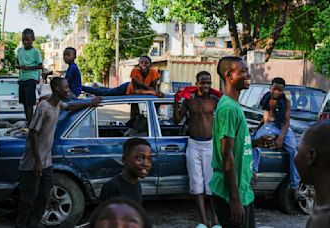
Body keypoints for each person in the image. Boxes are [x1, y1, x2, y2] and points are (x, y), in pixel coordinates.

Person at [16, 77, 101, 228]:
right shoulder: (44, 107)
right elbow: (33, 133)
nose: (68, 90)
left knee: (43, 198)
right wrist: (37, 162)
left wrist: (90, 102)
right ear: (57, 89)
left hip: (46, 162)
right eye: (66, 88)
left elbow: (70, 106)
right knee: (28, 201)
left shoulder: (57, 104)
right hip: (32, 164)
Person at [210, 56, 273, 228]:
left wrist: (255, 143)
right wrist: (235, 199)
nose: (248, 74)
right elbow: (226, 154)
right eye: (243, 71)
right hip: (232, 194)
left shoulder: (234, 105)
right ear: (229, 75)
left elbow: (235, 146)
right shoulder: (229, 108)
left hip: (243, 189)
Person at [173, 71, 220, 228]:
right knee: (196, 184)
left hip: (210, 145)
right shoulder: (189, 100)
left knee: (211, 185)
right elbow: (177, 120)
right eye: (202, 82)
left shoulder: (215, 100)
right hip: (193, 145)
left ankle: (215, 220)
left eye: (208, 83)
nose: (205, 85)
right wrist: (176, 102)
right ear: (197, 83)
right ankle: (203, 221)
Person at [252, 77, 301, 199]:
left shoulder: (287, 102)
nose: (277, 92)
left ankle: (295, 185)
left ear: (283, 90)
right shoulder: (266, 99)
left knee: (293, 151)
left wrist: (281, 138)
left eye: (280, 90)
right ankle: (253, 174)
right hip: (269, 125)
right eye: (275, 89)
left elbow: (287, 122)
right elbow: (266, 119)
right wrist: (258, 130)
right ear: (270, 87)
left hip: (282, 126)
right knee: (255, 144)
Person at [295, 120, 330, 228]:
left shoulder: (323, 220)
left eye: (298, 150)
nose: (295, 158)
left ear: (311, 156)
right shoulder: (320, 205)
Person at [99, 138, 152, 205]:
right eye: (139, 158)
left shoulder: (136, 183)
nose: (146, 164)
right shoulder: (112, 187)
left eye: (149, 159)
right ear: (124, 159)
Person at [82, 56, 164, 97]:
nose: (143, 64)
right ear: (138, 64)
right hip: (126, 89)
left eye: (146, 63)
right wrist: (151, 91)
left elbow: (153, 89)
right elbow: (135, 91)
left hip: (136, 91)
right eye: (141, 62)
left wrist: (149, 89)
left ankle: (98, 87)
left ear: (150, 64)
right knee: (105, 93)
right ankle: (82, 87)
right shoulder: (135, 71)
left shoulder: (154, 73)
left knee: (109, 90)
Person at [16, 28, 43, 125]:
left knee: (29, 103)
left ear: (33, 39)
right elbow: (17, 64)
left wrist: (29, 68)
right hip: (22, 79)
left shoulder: (36, 52)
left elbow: (40, 65)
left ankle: (30, 123)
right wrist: (19, 66)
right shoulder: (19, 51)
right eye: (23, 40)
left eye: (27, 40)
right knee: (24, 102)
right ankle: (28, 121)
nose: (25, 42)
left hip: (31, 78)